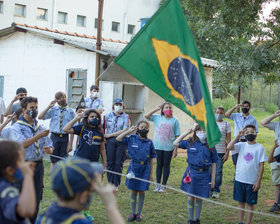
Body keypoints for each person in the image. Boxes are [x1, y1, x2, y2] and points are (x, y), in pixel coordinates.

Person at [36, 157, 125, 224]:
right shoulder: (79, 221)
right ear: (83, 197)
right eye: (92, 188)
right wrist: (111, 206)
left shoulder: (43, 218)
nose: (94, 190)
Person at [8, 96, 53, 223]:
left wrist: (49, 149)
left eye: (36, 107)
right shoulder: (17, 127)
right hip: (23, 166)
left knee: (36, 197)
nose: (34, 110)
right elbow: (21, 144)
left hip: (38, 166)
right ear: (23, 110)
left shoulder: (40, 127)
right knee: (21, 196)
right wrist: (38, 136)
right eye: (31, 108)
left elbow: (49, 145)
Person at [63, 109, 107, 222]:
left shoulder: (100, 132)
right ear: (87, 118)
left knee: (89, 189)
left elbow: (102, 149)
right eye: (92, 116)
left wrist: (104, 164)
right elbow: (66, 129)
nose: (94, 119)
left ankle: (86, 211)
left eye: (97, 117)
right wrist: (76, 118)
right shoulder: (82, 127)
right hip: (80, 163)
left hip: (94, 164)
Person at [174, 125, 217, 224]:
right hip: (192, 173)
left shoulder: (210, 145)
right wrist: (186, 133)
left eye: (204, 130)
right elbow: (175, 143)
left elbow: (214, 162)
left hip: (204, 174)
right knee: (191, 196)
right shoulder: (190, 142)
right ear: (195, 131)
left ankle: (197, 219)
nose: (202, 132)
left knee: (199, 196)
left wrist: (213, 180)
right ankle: (190, 219)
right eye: (199, 130)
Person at [116, 121, 156, 222]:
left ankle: (139, 213)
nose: (143, 129)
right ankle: (133, 212)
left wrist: (151, 174)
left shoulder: (149, 142)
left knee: (142, 191)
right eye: (141, 127)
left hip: (145, 169)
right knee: (133, 190)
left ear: (148, 130)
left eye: (145, 127)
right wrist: (129, 131)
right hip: (134, 168)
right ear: (137, 128)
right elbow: (118, 138)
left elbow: (151, 159)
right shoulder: (131, 139)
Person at [227, 125, 267, 224]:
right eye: (247, 132)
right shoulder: (241, 145)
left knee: (250, 204)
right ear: (244, 135)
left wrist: (258, 182)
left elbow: (262, 165)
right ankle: (240, 222)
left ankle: (248, 222)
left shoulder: (260, 148)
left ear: (256, 134)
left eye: (252, 132)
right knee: (241, 203)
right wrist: (237, 135)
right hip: (240, 179)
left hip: (252, 181)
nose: (250, 133)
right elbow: (229, 147)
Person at [144, 102, 180, 192]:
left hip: (169, 147)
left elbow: (177, 136)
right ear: (163, 110)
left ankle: (163, 185)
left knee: (166, 165)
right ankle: (158, 184)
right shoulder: (157, 117)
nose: (168, 109)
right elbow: (146, 116)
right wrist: (156, 109)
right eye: (166, 107)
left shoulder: (175, 120)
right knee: (159, 165)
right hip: (158, 146)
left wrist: (176, 149)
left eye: (170, 108)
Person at [0, 140, 36, 224]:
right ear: (9, 170)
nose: (26, 163)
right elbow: (26, 210)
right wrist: (27, 175)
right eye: (22, 160)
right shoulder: (4, 189)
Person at [38, 92, 75, 169]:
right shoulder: (53, 110)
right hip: (54, 136)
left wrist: (70, 144)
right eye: (59, 98)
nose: (62, 99)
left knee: (63, 160)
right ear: (56, 100)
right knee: (54, 160)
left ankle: (61, 178)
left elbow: (72, 129)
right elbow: (40, 117)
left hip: (65, 137)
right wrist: (49, 106)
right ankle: (53, 178)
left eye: (63, 97)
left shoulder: (71, 111)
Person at [225, 100, 258, 178]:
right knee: (235, 158)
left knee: (246, 158)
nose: (245, 108)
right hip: (236, 140)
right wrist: (235, 107)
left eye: (247, 106)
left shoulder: (253, 119)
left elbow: (255, 132)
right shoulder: (236, 116)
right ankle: (237, 175)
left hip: (247, 140)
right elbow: (226, 114)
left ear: (249, 107)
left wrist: (253, 142)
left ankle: (246, 174)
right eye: (243, 106)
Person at [105, 98, 130, 187]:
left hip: (121, 140)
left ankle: (116, 184)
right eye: (117, 104)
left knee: (118, 162)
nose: (118, 106)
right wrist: (107, 137)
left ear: (123, 106)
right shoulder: (108, 115)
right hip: (109, 141)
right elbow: (104, 127)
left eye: (120, 105)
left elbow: (125, 129)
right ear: (113, 106)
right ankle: (110, 182)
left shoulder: (126, 116)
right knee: (110, 161)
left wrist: (111, 134)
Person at [261, 110, 280, 212]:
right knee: (277, 183)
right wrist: (275, 115)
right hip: (276, 157)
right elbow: (263, 123)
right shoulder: (277, 125)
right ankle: (277, 204)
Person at [212, 106, 231, 198]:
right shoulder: (211, 124)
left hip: (220, 152)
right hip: (210, 151)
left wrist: (227, 153)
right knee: (209, 170)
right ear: (214, 113)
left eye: (221, 113)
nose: (219, 114)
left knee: (218, 171)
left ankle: (216, 190)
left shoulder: (227, 124)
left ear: (223, 114)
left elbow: (229, 140)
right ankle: (209, 187)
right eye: (217, 112)